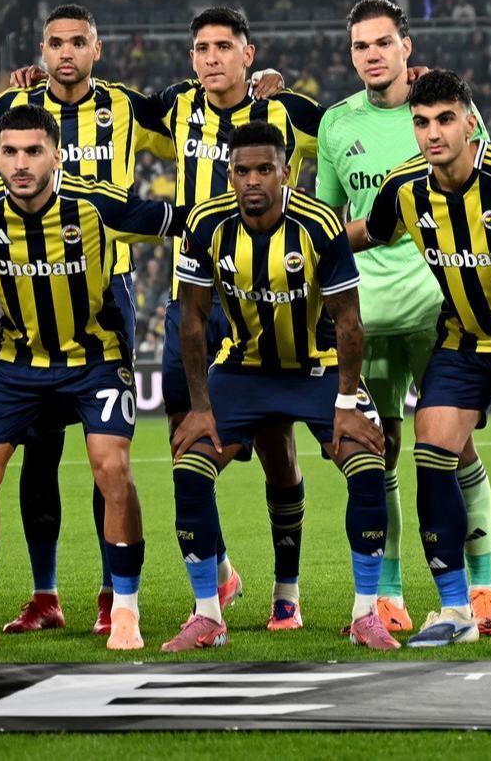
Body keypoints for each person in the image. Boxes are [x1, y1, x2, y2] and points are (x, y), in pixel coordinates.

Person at [318, 0, 491, 635]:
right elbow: (363, 232)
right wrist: (301, 246)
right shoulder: (404, 186)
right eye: (422, 122)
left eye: (445, 119)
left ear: (471, 124)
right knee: (432, 451)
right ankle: (454, 610)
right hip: (464, 337)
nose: (433, 132)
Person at [0, 105, 182, 653]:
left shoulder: (97, 203)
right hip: (17, 360)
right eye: (9, 152)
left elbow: (178, 220)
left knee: (112, 469)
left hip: (95, 357)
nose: (20, 163)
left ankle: (125, 610)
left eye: (33, 151)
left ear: (57, 156)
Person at [0, 3, 177, 635]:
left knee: (104, 455)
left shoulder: (126, 107)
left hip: (106, 290)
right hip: (33, 283)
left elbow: (195, 126)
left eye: (77, 42)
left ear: (97, 48)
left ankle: (111, 592)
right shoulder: (12, 108)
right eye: (55, 43)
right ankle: (46, 595)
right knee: (38, 456)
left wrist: (257, 88)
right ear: (41, 50)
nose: (66, 53)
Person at [165, 121, 397, 652]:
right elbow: (192, 321)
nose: (253, 180)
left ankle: (366, 614)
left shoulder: (318, 223)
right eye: (243, 170)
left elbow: (349, 322)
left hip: (317, 368)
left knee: (367, 464)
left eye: (264, 169)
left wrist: (346, 404)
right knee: (190, 467)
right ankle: (208, 614)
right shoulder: (205, 223)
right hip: (243, 368)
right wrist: (199, 407)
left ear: (285, 172)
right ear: (230, 175)